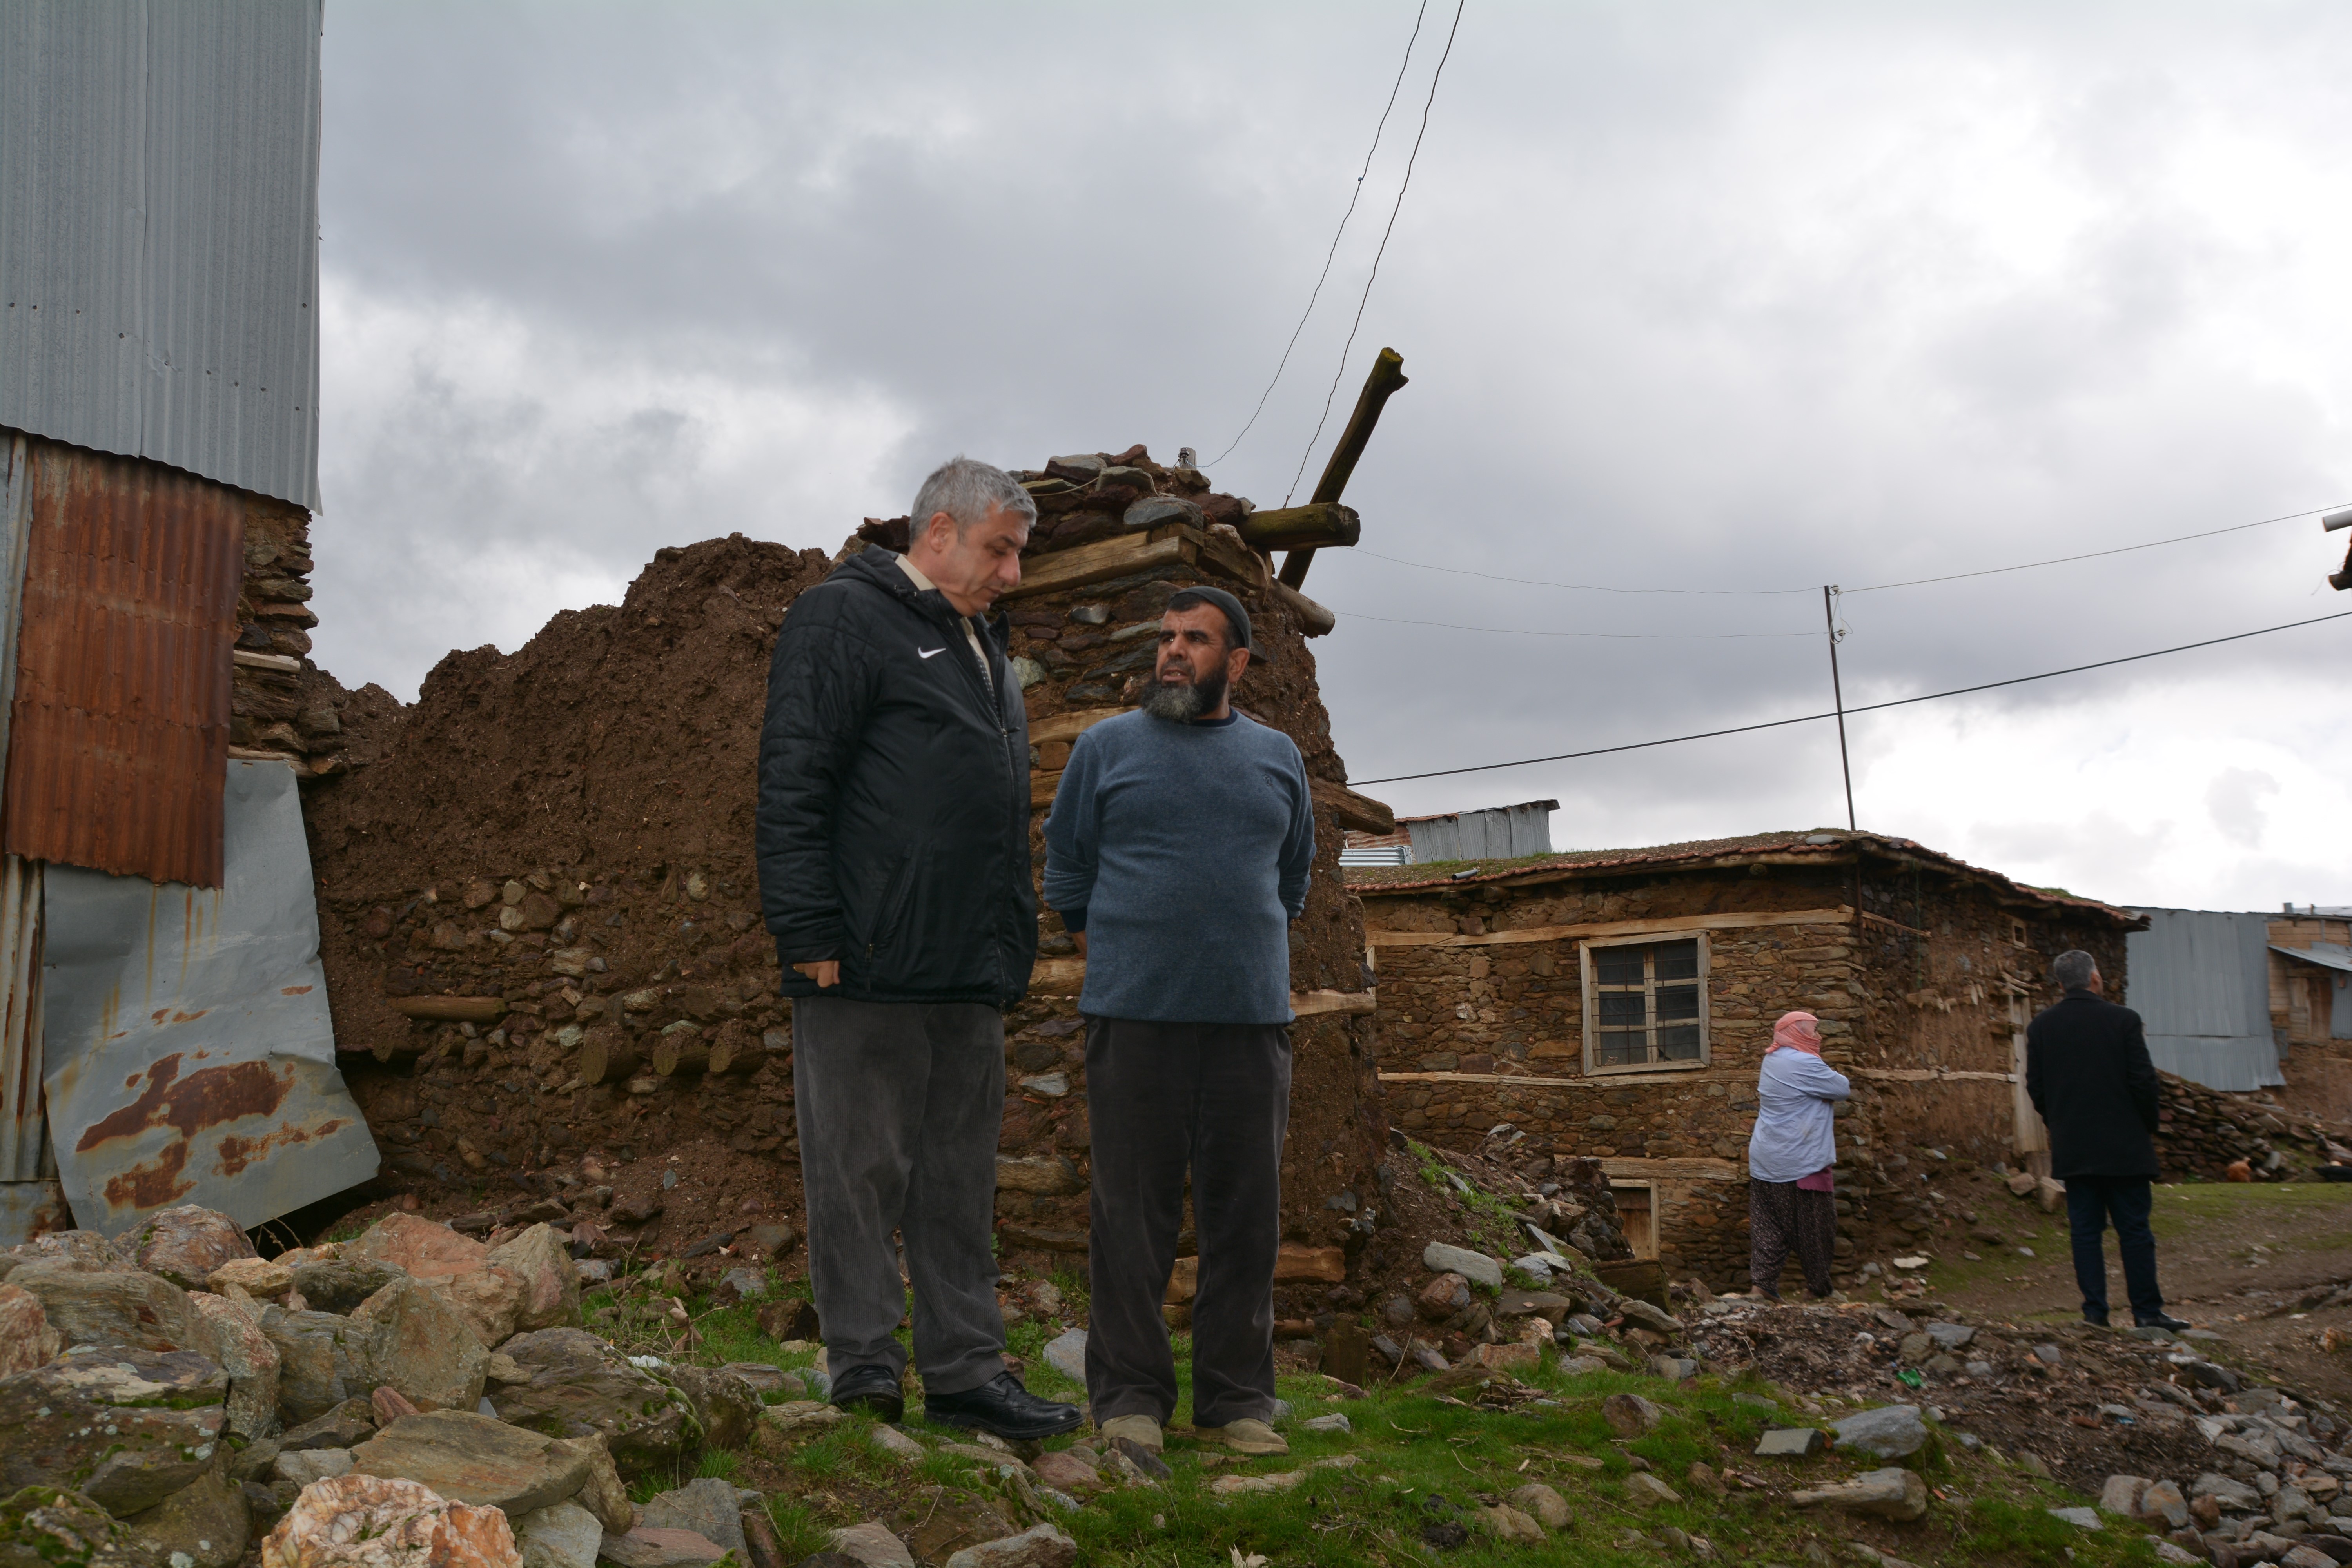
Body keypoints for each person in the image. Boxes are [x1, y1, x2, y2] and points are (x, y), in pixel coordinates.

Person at [756, 455, 1080, 1440]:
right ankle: (863, 1371)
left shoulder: (982, 637)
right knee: (857, 1175)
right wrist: (808, 927)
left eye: (1017, 554)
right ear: (935, 532)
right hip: (864, 959)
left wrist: (1008, 940)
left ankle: (964, 1372)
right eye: (1000, 550)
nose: (1013, 573)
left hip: (968, 966)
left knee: (957, 1181)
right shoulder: (842, 617)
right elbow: (794, 777)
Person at [1041, 584, 1315, 1462]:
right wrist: (1124, 948)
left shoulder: (1277, 757)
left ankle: (1235, 1400)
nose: (1172, 651)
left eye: (1195, 639)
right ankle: (1128, 1399)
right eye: (1165, 636)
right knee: (1131, 1217)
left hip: (1248, 1022)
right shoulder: (1105, 746)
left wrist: (1231, 945)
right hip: (1135, 1019)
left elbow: (1293, 877)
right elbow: (1068, 867)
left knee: (1245, 1218)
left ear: (1235, 662)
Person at [2025, 949, 2190, 1330]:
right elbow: (2144, 1081)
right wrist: (2144, 1126)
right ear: (2096, 979)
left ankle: (2095, 1313)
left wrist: (2061, 1123)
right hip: (2125, 1146)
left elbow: (2037, 1087)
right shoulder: (2124, 1021)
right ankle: (2147, 1313)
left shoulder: (2041, 1027)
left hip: (2075, 1147)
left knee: (2085, 1232)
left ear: (2062, 984)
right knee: (2134, 1229)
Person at [1746, 1010, 1850, 1300]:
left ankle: (1762, 1287)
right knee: (1816, 1227)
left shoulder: (1772, 1060)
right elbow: (1842, 1088)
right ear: (1798, 1035)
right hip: (1800, 1160)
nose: (1819, 1037)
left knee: (1769, 1226)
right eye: (1813, 1031)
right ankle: (1818, 1290)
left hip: (1766, 1159)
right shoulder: (1803, 1062)